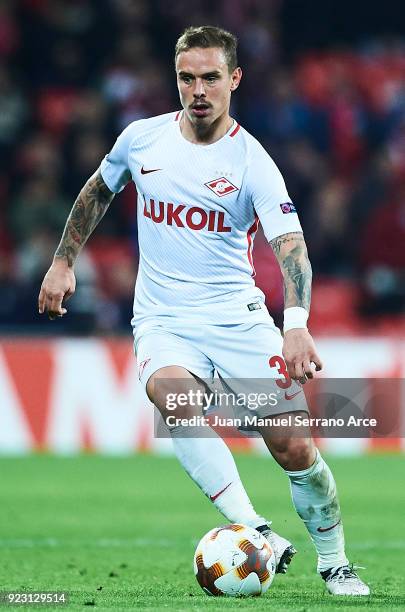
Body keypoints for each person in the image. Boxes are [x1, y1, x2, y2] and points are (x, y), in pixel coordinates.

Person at [38, 26, 369, 596]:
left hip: (235, 318)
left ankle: (334, 561)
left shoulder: (252, 161)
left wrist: (295, 327)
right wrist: (63, 262)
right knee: (172, 397)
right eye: (187, 77)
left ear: (234, 79)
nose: (198, 90)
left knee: (294, 447)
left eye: (211, 77)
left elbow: (291, 247)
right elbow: (97, 190)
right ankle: (257, 527)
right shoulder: (143, 140)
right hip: (164, 319)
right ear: (176, 78)